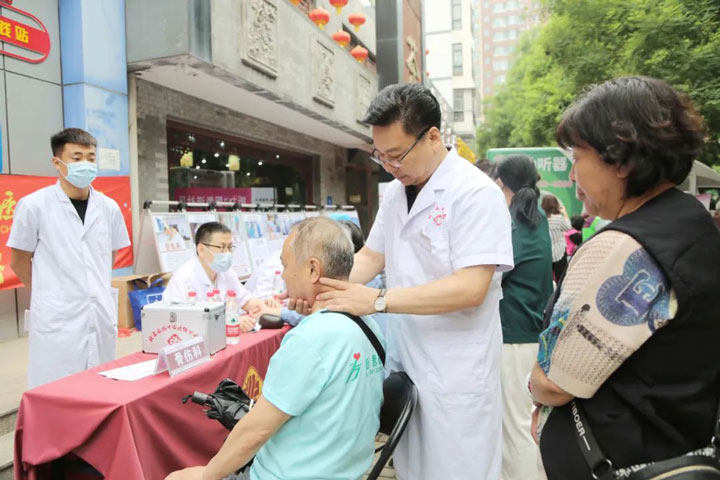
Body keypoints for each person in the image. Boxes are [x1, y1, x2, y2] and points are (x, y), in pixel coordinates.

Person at [311, 83, 513, 479]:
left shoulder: (475, 194)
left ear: (433, 136)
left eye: (396, 155)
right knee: (413, 469)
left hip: (457, 371)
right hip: (410, 364)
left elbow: (471, 288)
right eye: (379, 155)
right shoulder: (394, 193)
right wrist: (324, 290)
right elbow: (370, 256)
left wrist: (378, 300)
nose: (388, 165)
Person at [529, 77, 720, 479]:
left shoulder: (625, 249)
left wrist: (537, 390)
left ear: (621, 160)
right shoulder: (693, 222)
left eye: (577, 157)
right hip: (677, 444)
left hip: (623, 459)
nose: (573, 176)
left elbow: (555, 383)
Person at [166, 217, 385, 480]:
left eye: (285, 265)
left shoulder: (309, 339)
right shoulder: (370, 326)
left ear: (313, 270)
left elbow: (255, 432)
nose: (282, 275)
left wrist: (206, 475)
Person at [8, 128, 131, 388]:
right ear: (57, 162)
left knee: (99, 387)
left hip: (98, 314)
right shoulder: (34, 205)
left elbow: (111, 254)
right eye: (76, 158)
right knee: (55, 389)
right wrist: (48, 293)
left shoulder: (108, 207)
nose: (85, 164)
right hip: (56, 318)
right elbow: (18, 261)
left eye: (90, 157)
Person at [491, 155, 553, 480]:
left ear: (500, 183)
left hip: (514, 338)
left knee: (515, 427)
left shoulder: (515, 224)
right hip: (530, 335)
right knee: (523, 422)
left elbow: (487, 279)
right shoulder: (536, 217)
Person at [163, 222, 262, 332]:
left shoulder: (227, 273)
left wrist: (266, 307)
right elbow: (182, 321)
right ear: (201, 249)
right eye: (221, 247)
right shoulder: (185, 277)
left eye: (230, 247)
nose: (227, 253)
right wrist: (230, 321)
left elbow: (246, 300)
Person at [541, 194, 571, 280]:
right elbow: (568, 227)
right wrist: (565, 214)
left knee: (546, 279)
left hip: (546, 253)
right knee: (561, 278)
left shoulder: (541, 219)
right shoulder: (558, 218)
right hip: (560, 252)